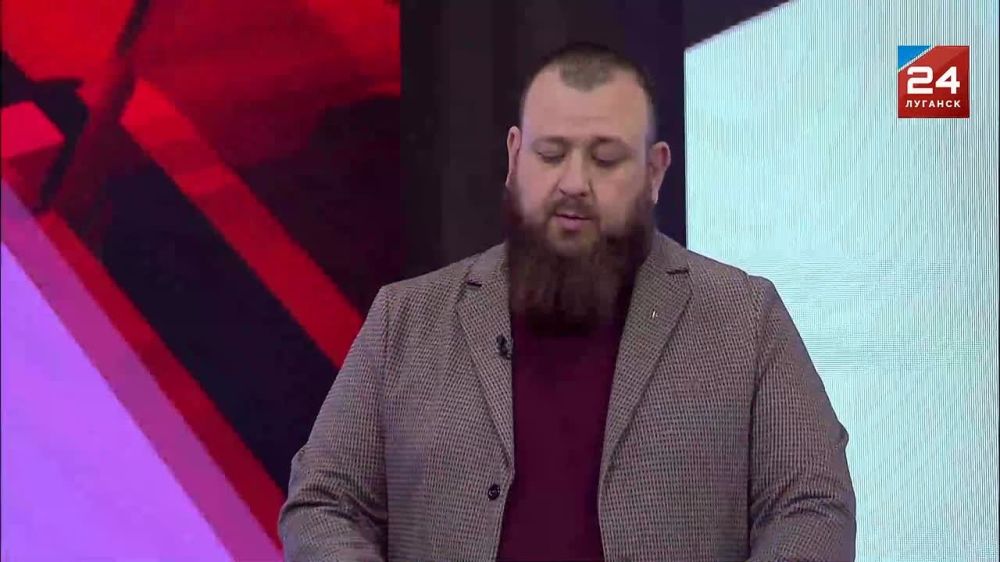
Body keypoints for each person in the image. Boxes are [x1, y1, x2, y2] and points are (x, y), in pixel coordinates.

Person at [279, 41, 856, 562]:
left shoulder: (744, 318)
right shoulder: (406, 319)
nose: (574, 182)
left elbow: (812, 507)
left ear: (654, 172)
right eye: (551, 154)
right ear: (514, 158)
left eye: (605, 159)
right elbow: (325, 503)